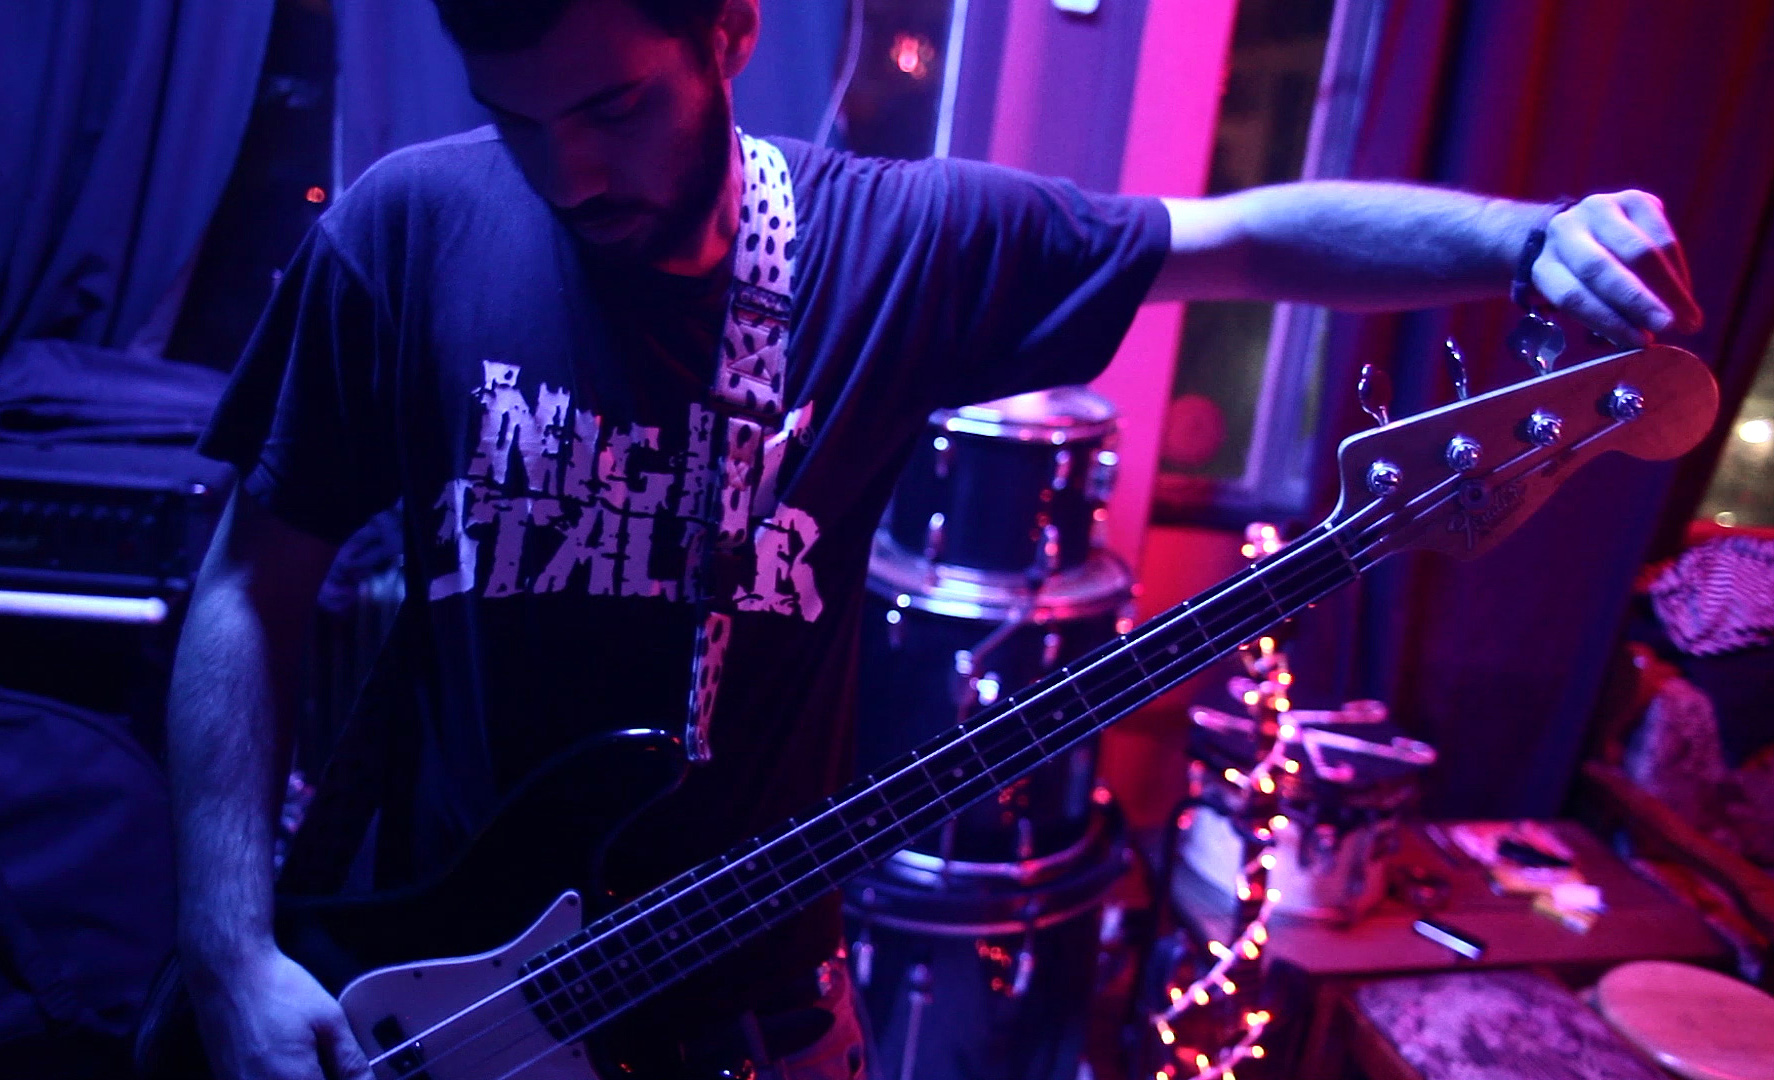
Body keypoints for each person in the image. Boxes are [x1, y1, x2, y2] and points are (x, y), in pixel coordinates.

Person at [165, 1, 1704, 1078]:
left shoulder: (888, 243)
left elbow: (1237, 237)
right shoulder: (404, 228)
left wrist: (1529, 237)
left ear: (729, 32)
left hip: (749, 1018)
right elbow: (247, 581)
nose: (568, 175)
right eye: (519, 122)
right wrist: (229, 952)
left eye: (613, 108)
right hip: (431, 990)